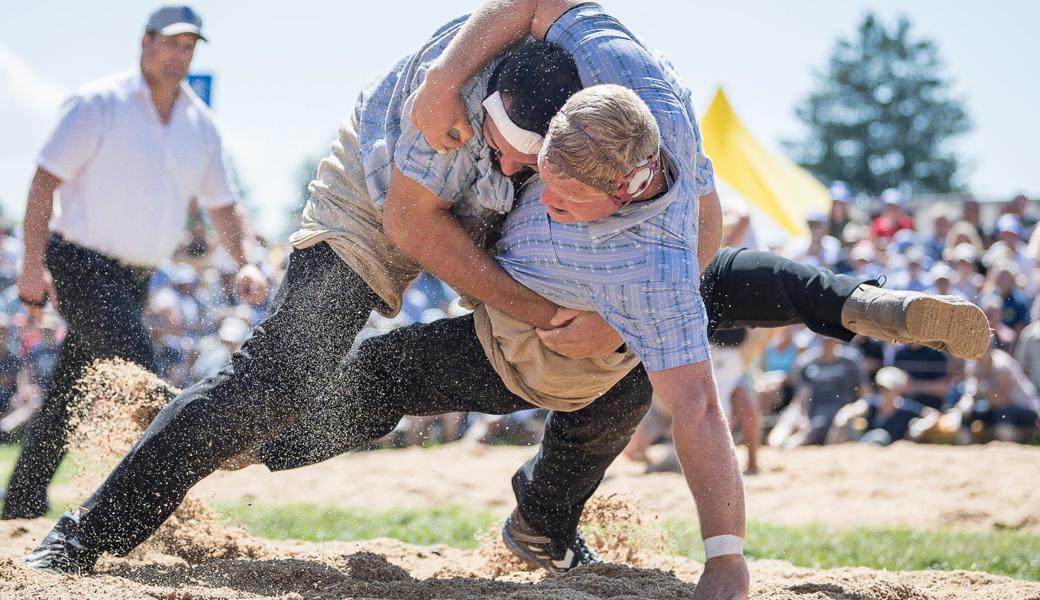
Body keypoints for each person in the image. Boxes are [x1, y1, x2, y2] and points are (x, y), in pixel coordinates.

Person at [25, 7, 989, 597]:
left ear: (586, 144)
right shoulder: (446, 126)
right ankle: (86, 533)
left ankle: (288, 446)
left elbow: (696, 223)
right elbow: (414, 225)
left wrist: (658, 308)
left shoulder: (634, 98)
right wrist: (451, 84)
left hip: (535, 226)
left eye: (531, 166)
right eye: (505, 150)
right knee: (277, 377)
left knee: (631, 336)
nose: (506, 164)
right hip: (381, 194)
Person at [1, 5, 267, 520]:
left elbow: (224, 206)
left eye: (188, 47)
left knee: (70, 393)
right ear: (144, 43)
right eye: (170, 43)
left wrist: (247, 261)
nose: (179, 55)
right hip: (78, 262)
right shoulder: (98, 103)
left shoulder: (201, 125)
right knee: (139, 372)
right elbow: (42, 182)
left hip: (134, 276)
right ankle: (145, 508)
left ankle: (20, 507)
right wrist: (33, 267)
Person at [827, 366, 935, 445]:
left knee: (880, 436)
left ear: (898, 391)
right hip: (866, 449)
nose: (885, 392)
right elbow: (854, 409)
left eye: (890, 389)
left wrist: (920, 426)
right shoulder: (872, 403)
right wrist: (844, 416)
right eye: (882, 388)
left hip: (892, 456)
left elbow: (932, 414)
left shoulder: (906, 408)